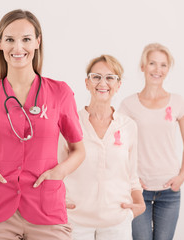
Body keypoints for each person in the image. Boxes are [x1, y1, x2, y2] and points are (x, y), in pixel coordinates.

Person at [0, 9, 85, 240]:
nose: (17, 48)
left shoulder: (60, 93)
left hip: (46, 209)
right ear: (0, 44)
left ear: (37, 42)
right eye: (9, 39)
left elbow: (79, 150)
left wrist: (59, 172)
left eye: (26, 39)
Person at [58, 55, 145, 240]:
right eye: (96, 76)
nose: (102, 82)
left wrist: (139, 204)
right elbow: (56, 170)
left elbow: (132, 176)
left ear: (118, 85)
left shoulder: (128, 126)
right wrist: (57, 202)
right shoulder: (70, 122)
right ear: (87, 83)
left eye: (110, 77)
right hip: (76, 223)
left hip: (117, 224)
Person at [119, 43, 184, 240]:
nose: (157, 70)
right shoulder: (128, 105)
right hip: (138, 190)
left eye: (163, 65)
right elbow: (119, 147)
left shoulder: (178, 102)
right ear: (143, 66)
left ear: (168, 69)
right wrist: (131, 178)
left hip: (169, 191)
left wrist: (182, 175)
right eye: (152, 63)